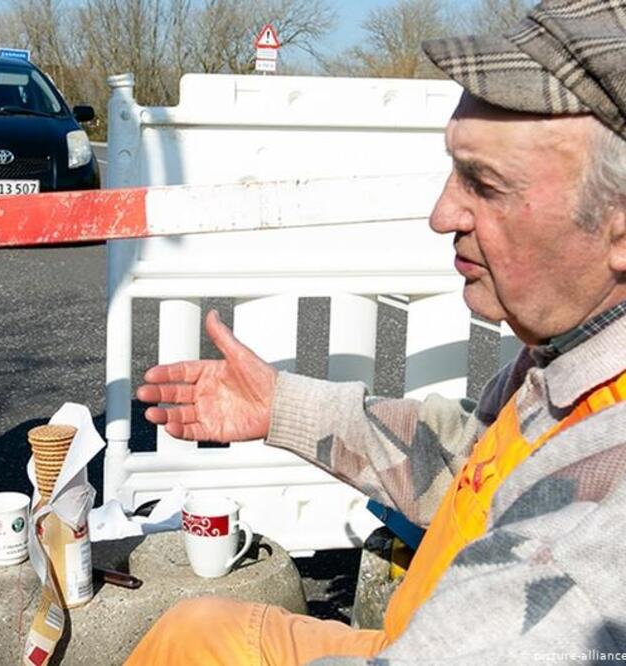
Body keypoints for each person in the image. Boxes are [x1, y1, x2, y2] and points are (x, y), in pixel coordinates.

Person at [127, 1, 626, 663]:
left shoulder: (585, 554)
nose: (442, 213)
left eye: (484, 184)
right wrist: (280, 405)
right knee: (196, 631)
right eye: (454, 170)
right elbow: (468, 465)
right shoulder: (569, 354)